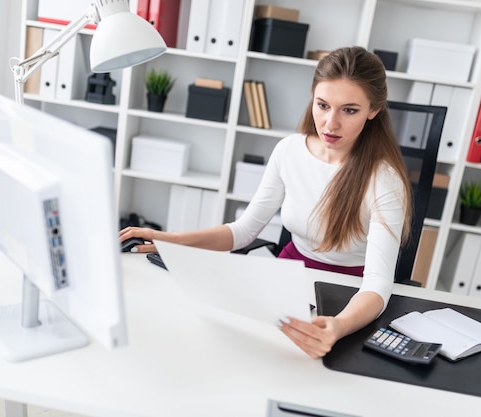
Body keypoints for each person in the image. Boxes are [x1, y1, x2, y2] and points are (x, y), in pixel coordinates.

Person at [119, 46, 412, 359]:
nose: (330, 123)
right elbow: (243, 231)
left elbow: (378, 283)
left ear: (373, 110)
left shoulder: (384, 180)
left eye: (349, 110)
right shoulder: (289, 151)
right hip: (288, 277)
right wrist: (171, 241)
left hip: (349, 295)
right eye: (322, 105)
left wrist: (338, 327)